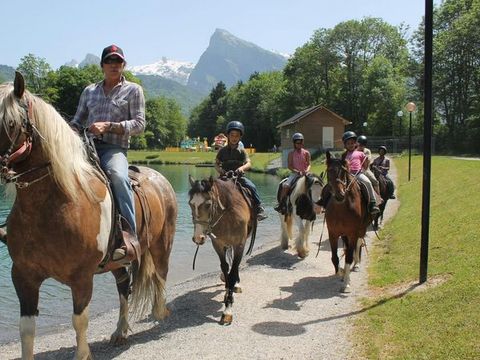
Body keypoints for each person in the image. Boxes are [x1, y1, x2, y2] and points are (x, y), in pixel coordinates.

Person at [71, 44, 146, 262]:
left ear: (124, 65)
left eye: (118, 61)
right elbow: (78, 120)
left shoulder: (133, 90)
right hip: (86, 146)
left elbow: (140, 125)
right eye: (110, 61)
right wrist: (68, 132)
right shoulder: (89, 91)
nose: (114, 65)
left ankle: (128, 236)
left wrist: (110, 126)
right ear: (102, 65)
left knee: (118, 176)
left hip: (114, 147)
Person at [215, 121, 267, 221]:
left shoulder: (242, 151)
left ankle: (259, 208)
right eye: (232, 135)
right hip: (224, 177)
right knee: (212, 189)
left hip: (238, 177)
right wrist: (220, 170)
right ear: (228, 136)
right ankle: (210, 213)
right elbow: (216, 163)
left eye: (237, 135)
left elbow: (248, 163)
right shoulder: (222, 151)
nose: (234, 137)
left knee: (251, 186)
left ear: (240, 137)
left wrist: (241, 168)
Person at [341, 131, 380, 214]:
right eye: (348, 143)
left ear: (355, 143)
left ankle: (373, 203)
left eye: (352, 143)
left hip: (358, 174)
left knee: (368, 182)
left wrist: (362, 170)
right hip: (347, 175)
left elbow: (365, 165)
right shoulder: (343, 155)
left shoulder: (360, 153)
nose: (351, 145)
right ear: (345, 145)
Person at [274, 132, 311, 213]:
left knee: (316, 183)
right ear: (294, 143)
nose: (299, 144)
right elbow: (290, 166)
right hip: (295, 174)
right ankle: (282, 204)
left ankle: (319, 204)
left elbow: (309, 164)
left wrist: (307, 170)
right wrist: (297, 172)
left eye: (301, 142)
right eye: (297, 142)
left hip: (305, 173)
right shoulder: (291, 154)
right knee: (285, 186)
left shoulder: (306, 153)